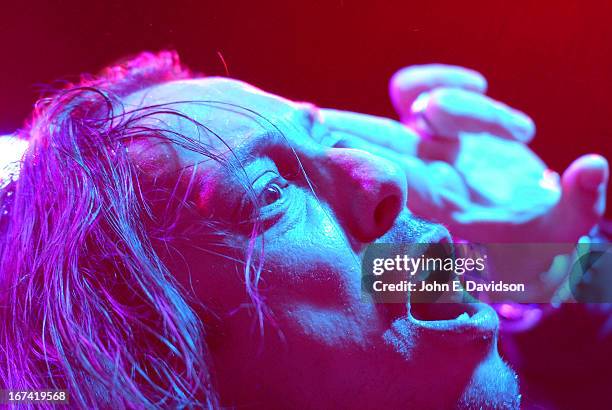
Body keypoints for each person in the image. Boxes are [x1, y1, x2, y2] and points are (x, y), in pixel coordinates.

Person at [0, 51, 606, 409]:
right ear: (150, 355)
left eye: (329, 140)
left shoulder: (403, 280)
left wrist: (555, 267)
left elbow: (535, 277)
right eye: (269, 191)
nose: (385, 173)